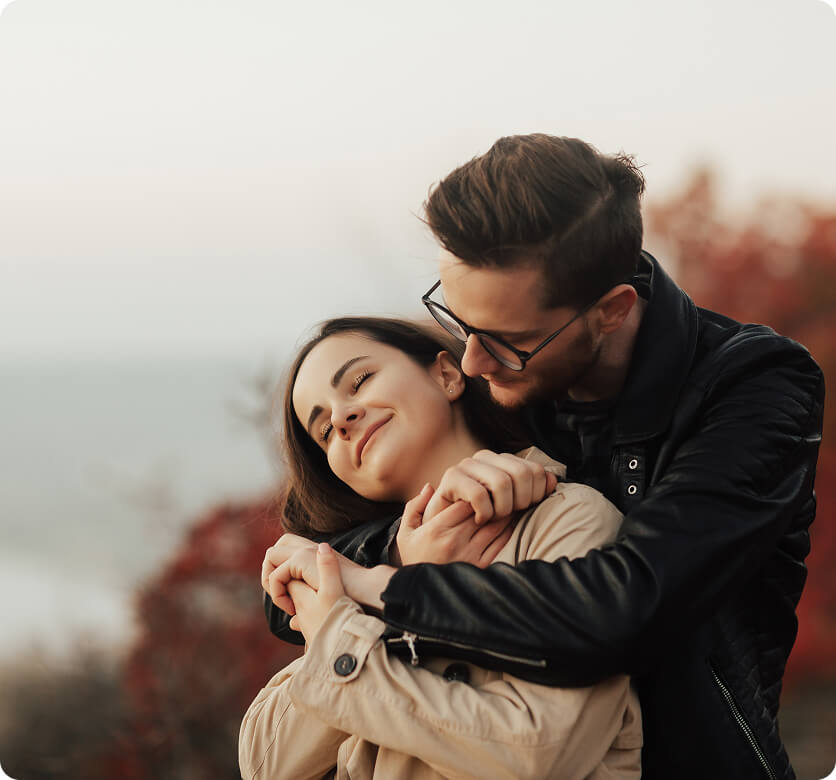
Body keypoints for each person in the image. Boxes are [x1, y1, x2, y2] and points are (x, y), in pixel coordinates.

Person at [264, 135, 825, 780]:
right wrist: (397, 555)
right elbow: (301, 578)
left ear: (611, 311)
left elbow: (632, 603)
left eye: (507, 341)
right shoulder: (501, 367)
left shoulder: (753, 383)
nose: (473, 362)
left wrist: (380, 587)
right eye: (456, 321)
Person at [241, 317, 642, 779]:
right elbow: (263, 763)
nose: (341, 418)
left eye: (360, 380)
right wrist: (393, 583)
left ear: (447, 375)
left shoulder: (569, 519)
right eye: (324, 431)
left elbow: (540, 751)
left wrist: (386, 602)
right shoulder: (354, 580)